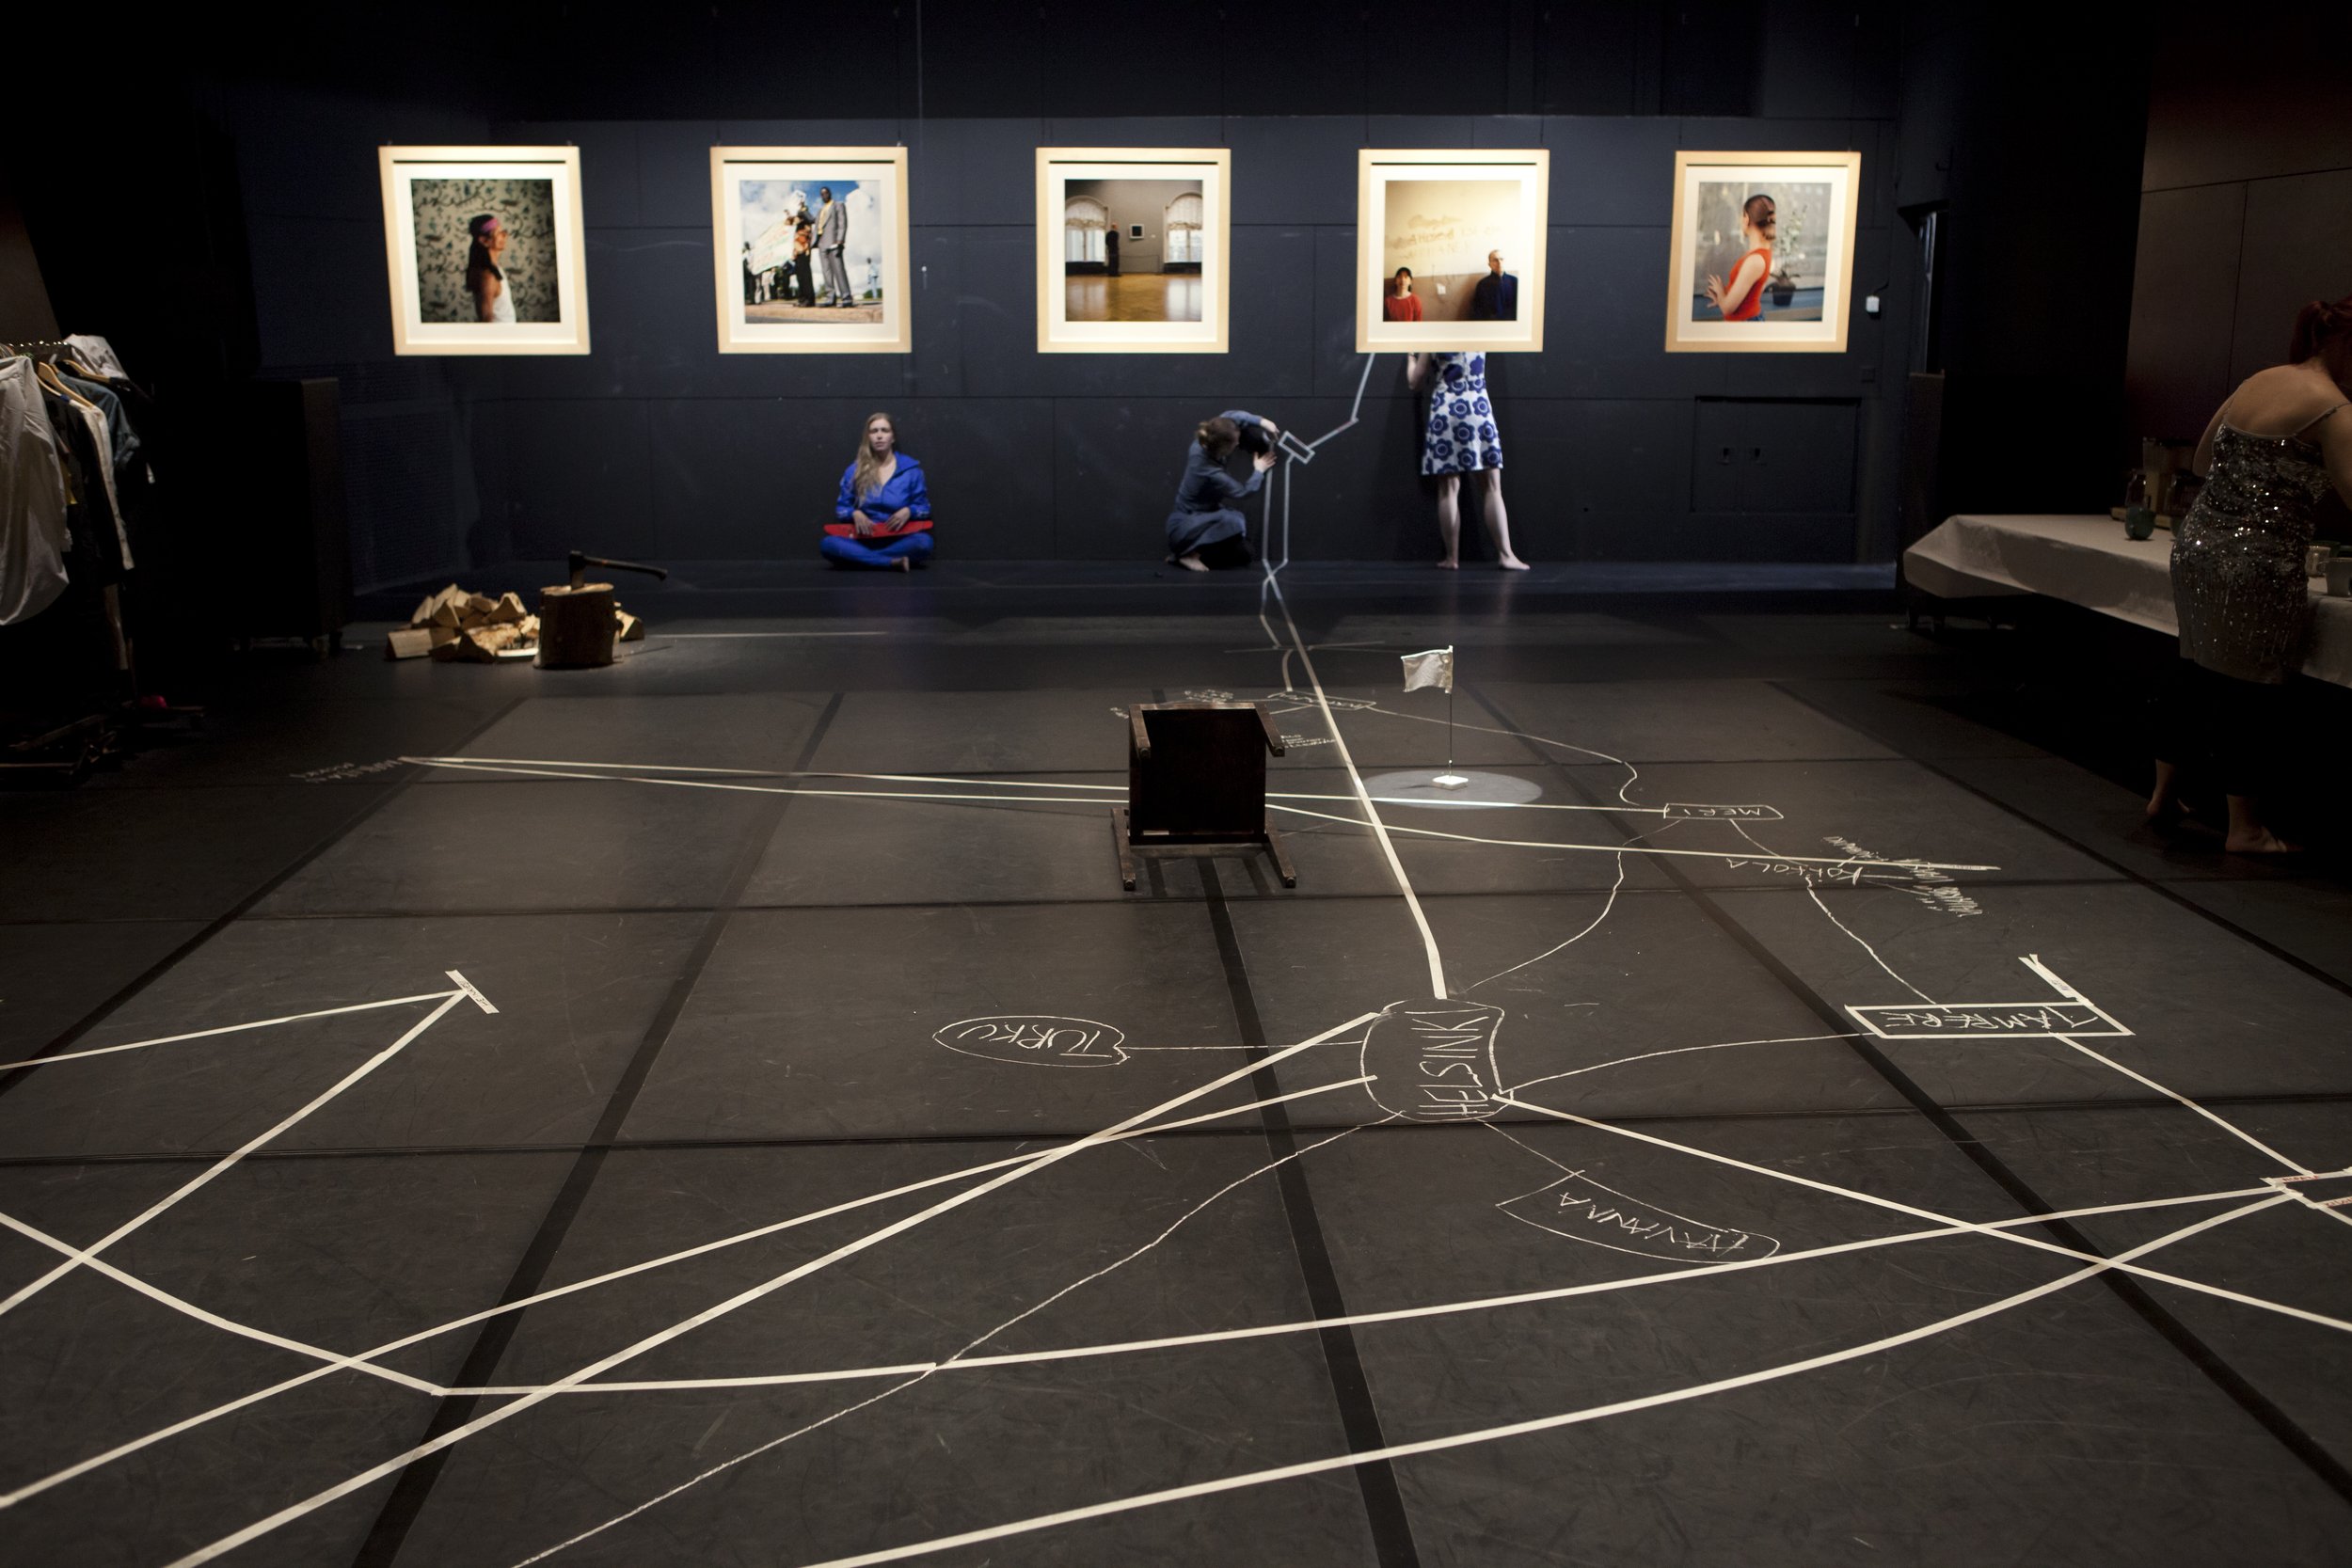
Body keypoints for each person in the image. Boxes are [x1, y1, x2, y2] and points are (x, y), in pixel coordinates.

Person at [2147, 296, 2352, 852]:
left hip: (2197, 547)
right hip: (2260, 563)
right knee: (2251, 690)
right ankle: (2245, 828)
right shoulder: (2334, 409)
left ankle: (2164, 795)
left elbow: (2201, 461)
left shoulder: (2260, 380)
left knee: (2193, 671)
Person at [1409, 352, 1525, 570]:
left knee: (1448, 490)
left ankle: (1452, 558)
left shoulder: (1431, 337)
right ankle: (1506, 554)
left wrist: (1410, 358)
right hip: (1478, 406)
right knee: (1492, 488)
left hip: (1445, 409)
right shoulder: (1480, 334)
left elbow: (1415, 382)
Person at [1166, 411, 1279, 571]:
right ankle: (1186, 554)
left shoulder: (1206, 439)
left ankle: (1190, 550)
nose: (1238, 444)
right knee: (1235, 521)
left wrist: (1262, 422)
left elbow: (1230, 415)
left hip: (1202, 516)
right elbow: (1243, 492)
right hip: (1184, 526)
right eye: (1234, 443)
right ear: (1223, 449)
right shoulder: (1208, 470)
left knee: (1244, 550)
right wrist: (1258, 470)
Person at [823, 412, 934, 571]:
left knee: (924, 543)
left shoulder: (911, 470)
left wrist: (909, 511)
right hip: (863, 539)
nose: (879, 436)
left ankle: (863, 559)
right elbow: (841, 509)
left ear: (893, 437)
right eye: (874, 431)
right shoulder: (854, 470)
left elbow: (924, 508)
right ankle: (890, 562)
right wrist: (854, 513)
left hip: (899, 539)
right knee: (828, 544)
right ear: (868, 437)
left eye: (884, 430)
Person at [1703, 196, 1774, 322]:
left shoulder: (1755, 260)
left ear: (1746, 219)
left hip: (1745, 323)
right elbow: (1745, 293)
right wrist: (1722, 298)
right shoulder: (1759, 253)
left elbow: (1727, 308)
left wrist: (1720, 292)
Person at [465, 214, 515, 325]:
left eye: (503, 231)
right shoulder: (488, 277)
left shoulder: (495, 269)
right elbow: (486, 321)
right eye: (499, 233)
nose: (505, 235)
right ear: (484, 241)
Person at [816, 186, 851, 308]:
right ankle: (830, 298)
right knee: (826, 273)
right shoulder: (820, 211)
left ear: (830, 193)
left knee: (839, 271)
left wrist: (840, 240)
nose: (824, 196)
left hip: (834, 242)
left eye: (826, 193)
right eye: (822, 194)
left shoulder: (838, 205)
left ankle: (846, 298)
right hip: (821, 244)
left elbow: (842, 223)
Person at [1469, 250, 1517, 322]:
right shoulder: (1482, 284)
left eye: (1501, 259)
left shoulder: (1515, 281)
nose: (1499, 262)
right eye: (1495, 260)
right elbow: (1477, 311)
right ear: (1489, 264)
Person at [791, 215, 816, 307]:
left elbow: (807, 237)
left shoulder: (806, 224)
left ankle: (809, 299)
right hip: (797, 253)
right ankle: (802, 299)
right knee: (800, 278)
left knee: (806, 277)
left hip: (804, 252)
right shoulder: (797, 227)